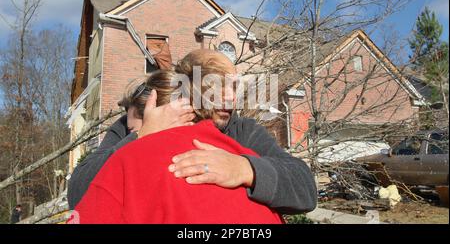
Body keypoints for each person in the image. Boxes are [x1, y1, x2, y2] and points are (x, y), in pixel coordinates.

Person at [68, 49, 317, 214]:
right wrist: (142, 137)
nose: (231, 99)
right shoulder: (132, 122)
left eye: (234, 87)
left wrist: (245, 169)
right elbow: (79, 194)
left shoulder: (244, 131)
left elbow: (305, 189)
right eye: (217, 87)